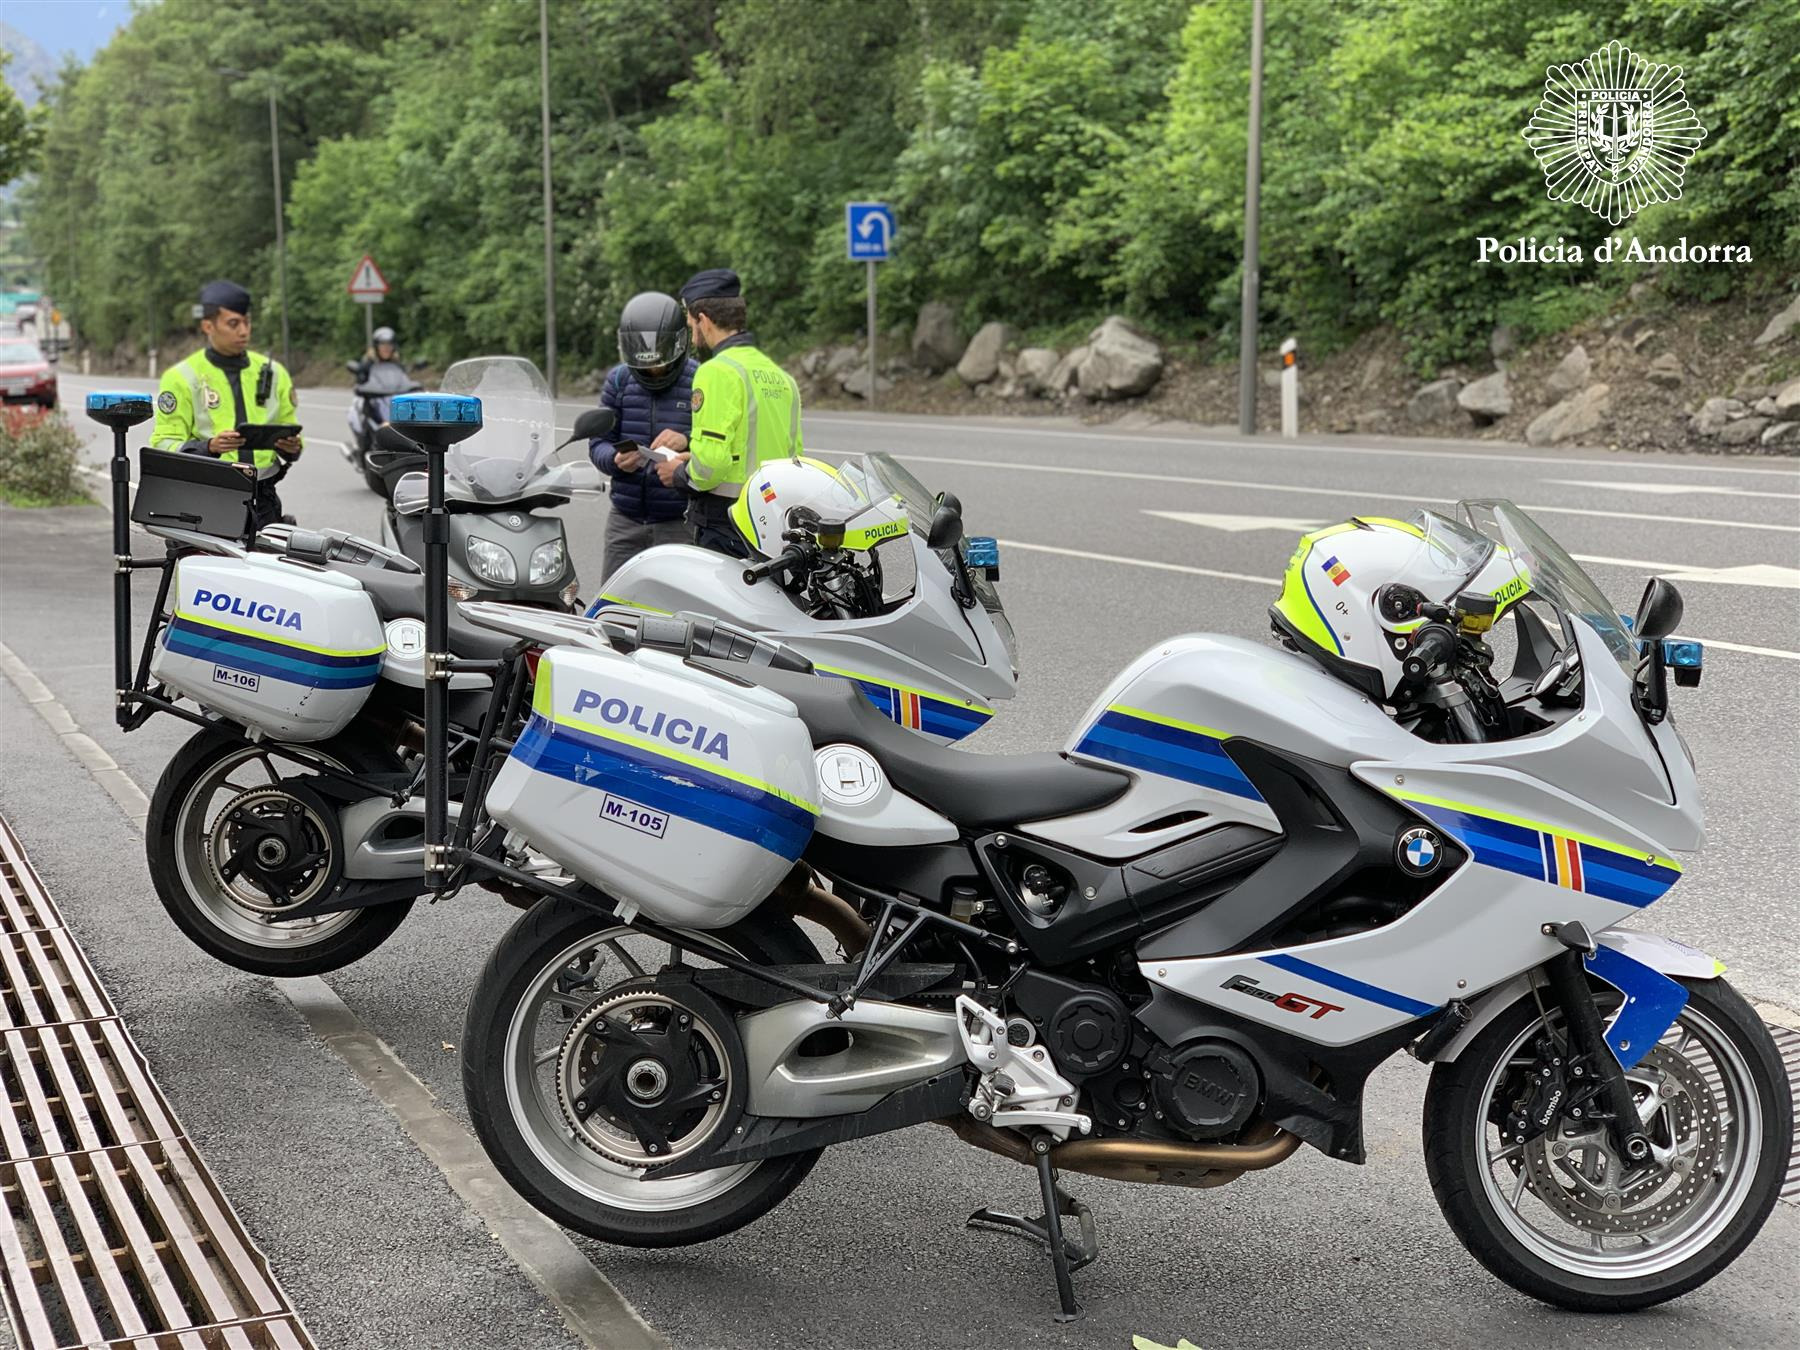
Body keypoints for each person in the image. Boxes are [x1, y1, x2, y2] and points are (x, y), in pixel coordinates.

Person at [656, 268, 803, 558]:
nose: (688, 324)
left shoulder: (715, 372)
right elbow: (790, 455)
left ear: (704, 320)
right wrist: (692, 455)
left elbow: (710, 465)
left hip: (725, 524)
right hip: (772, 522)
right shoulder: (782, 377)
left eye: (689, 317)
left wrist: (679, 473)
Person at [150, 280, 302, 529]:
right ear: (208, 326)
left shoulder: (274, 373)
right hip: (208, 498)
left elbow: (291, 431)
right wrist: (209, 447)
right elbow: (163, 444)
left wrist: (290, 447)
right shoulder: (181, 377)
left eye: (247, 322)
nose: (244, 331)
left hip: (263, 501)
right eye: (234, 324)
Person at [589, 292, 698, 582]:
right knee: (611, 606)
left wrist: (687, 439)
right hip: (625, 519)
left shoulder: (700, 380)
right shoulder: (619, 380)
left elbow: (720, 447)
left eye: (660, 361)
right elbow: (597, 442)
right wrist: (614, 460)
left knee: (677, 611)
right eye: (645, 362)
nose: (653, 370)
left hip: (679, 522)